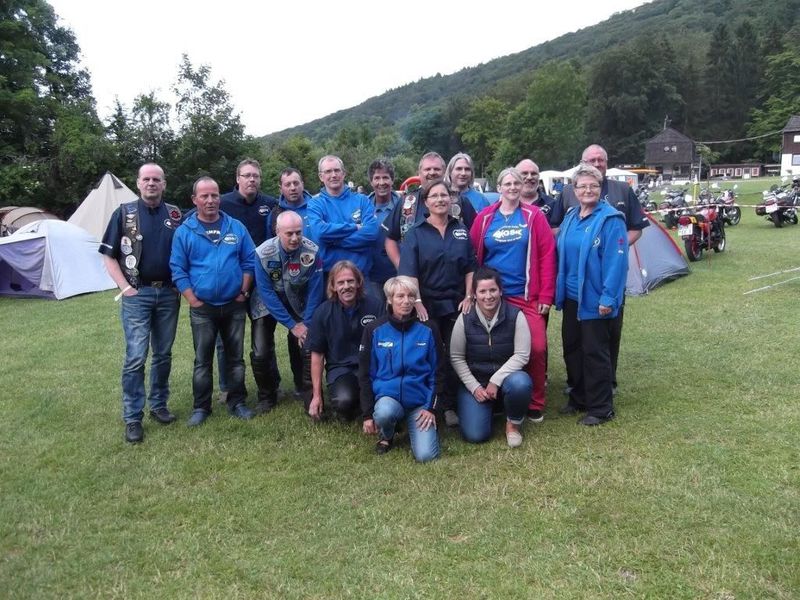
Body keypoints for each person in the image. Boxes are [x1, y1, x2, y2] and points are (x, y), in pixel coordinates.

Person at [550, 144, 648, 393]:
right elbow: (555, 228)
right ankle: (578, 390)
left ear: (606, 162)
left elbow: (635, 228)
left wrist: (609, 247)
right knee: (574, 342)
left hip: (603, 284)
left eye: (600, 160)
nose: (596, 164)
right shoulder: (569, 200)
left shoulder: (621, 192)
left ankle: (605, 388)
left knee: (604, 339)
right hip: (574, 289)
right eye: (591, 160)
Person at [99, 163, 182, 444]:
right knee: (136, 356)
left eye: (156, 179)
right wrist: (125, 288)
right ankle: (133, 417)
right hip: (138, 294)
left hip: (168, 294)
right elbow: (108, 255)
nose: (151, 183)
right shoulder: (124, 213)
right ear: (138, 183)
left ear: (164, 184)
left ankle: (159, 405)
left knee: (163, 354)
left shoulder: (175, 214)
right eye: (146, 179)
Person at [470, 167, 556, 423]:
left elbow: (547, 255)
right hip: (492, 296)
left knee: (537, 348)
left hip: (526, 295)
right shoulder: (485, 217)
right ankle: (496, 398)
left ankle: (535, 402)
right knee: (494, 348)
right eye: (507, 184)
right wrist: (474, 292)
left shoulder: (534, 216)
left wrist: (546, 296)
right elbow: (472, 256)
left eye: (516, 183)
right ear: (499, 187)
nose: (512, 188)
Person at [170, 176, 257, 426]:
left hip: (233, 304)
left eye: (215, 195)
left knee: (236, 359)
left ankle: (237, 402)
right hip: (203, 308)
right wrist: (191, 298)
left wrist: (243, 291)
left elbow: (249, 260)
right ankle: (201, 407)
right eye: (205, 196)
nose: (210, 200)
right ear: (194, 200)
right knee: (202, 360)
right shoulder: (185, 231)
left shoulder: (236, 227)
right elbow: (178, 268)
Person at [399, 178, 476, 428]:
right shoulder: (415, 233)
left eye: (445, 195)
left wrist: (469, 296)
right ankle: (426, 402)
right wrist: (417, 302)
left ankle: (450, 405)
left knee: (456, 353)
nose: (441, 200)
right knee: (429, 353)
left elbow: (470, 267)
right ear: (426, 202)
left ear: (451, 199)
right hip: (427, 304)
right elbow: (409, 271)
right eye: (435, 196)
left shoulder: (461, 230)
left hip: (456, 303)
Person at [554, 164, 628, 425]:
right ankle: (579, 398)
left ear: (600, 188)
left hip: (595, 299)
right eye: (582, 186)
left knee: (595, 352)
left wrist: (608, 298)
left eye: (593, 186)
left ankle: (600, 408)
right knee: (572, 349)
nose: (588, 190)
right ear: (574, 190)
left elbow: (616, 263)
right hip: (571, 297)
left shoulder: (611, 219)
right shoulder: (571, 216)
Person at [218, 159, 280, 414]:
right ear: (237, 178)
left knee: (263, 337)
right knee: (227, 340)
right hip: (231, 282)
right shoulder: (221, 203)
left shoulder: (271, 204)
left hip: (262, 283)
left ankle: (271, 386)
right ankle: (228, 387)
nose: (251, 179)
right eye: (246, 175)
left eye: (255, 175)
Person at [359, 276, 443, 462]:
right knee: (384, 413)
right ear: (390, 299)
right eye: (400, 296)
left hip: (419, 403)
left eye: (411, 296)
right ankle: (387, 434)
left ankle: (418, 427)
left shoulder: (429, 329)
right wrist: (367, 414)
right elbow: (365, 375)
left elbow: (438, 372)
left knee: (426, 456)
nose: (406, 301)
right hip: (388, 399)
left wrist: (431, 408)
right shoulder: (374, 330)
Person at [450, 267, 532, 447]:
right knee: (476, 435)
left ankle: (513, 425)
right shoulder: (464, 318)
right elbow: (456, 357)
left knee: (521, 383)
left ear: (500, 291)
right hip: (476, 381)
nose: (488, 296)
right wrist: (474, 387)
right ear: (474, 294)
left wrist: (496, 380)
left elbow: (522, 355)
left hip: (507, 379)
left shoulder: (516, 315)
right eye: (482, 291)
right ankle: (491, 409)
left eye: (493, 290)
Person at [253, 211, 323, 405]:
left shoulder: (312, 251)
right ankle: (267, 396)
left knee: (305, 343)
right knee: (260, 352)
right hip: (267, 302)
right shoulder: (262, 253)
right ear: (277, 231)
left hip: (298, 299)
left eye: (298, 232)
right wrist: (292, 325)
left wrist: (305, 323)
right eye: (289, 233)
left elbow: (315, 290)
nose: (295, 238)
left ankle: (305, 392)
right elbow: (266, 292)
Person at [306, 260, 385, 423]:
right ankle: (356, 406)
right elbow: (317, 356)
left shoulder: (376, 306)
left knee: (385, 399)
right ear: (333, 286)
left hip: (372, 368)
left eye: (350, 281)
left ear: (359, 283)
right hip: (342, 369)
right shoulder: (322, 313)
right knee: (344, 401)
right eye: (341, 282)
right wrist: (316, 395)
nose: (346, 286)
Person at [383, 152, 477, 270]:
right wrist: (402, 268)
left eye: (436, 169)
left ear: (444, 172)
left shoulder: (460, 202)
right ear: (419, 172)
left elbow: (475, 238)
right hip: (414, 277)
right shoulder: (406, 202)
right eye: (427, 169)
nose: (432, 172)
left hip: (455, 277)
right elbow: (390, 239)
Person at [307, 155, 378, 283]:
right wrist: (354, 227)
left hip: (361, 277)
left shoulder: (362, 200)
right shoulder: (315, 204)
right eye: (328, 171)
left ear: (343, 173)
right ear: (321, 176)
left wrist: (332, 240)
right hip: (329, 279)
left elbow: (371, 233)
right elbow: (320, 232)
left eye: (337, 170)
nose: (333, 175)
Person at [367, 159, 401, 299]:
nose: (381, 182)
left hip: (399, 274)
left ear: (392, 180)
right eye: (377, 178)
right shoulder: (363, 207)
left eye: (385, 177)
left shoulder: (405, 207)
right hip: (371, 277)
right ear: (371, 182)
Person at [267, 168, 314, 237]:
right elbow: (271, 242)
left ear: (302, 185)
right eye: (288, 185)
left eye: (296, 183)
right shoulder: (275, 215)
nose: (293, 188)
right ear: (280, 189)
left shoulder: (317, 206)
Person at [516, 158, 556, 225]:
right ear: (515, 177)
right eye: (524, 173)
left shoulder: (552, 204)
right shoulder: (505, 204)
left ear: (539, 177)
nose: (529, 177)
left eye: (533, 173)